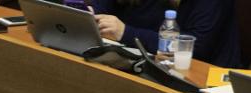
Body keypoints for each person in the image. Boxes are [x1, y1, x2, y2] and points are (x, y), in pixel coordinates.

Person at [93, 0, 241, 68]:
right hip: (137, 63)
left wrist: (126, 33)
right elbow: (100, 10)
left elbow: (196, 47)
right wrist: (90, 15)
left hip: (199, 79)